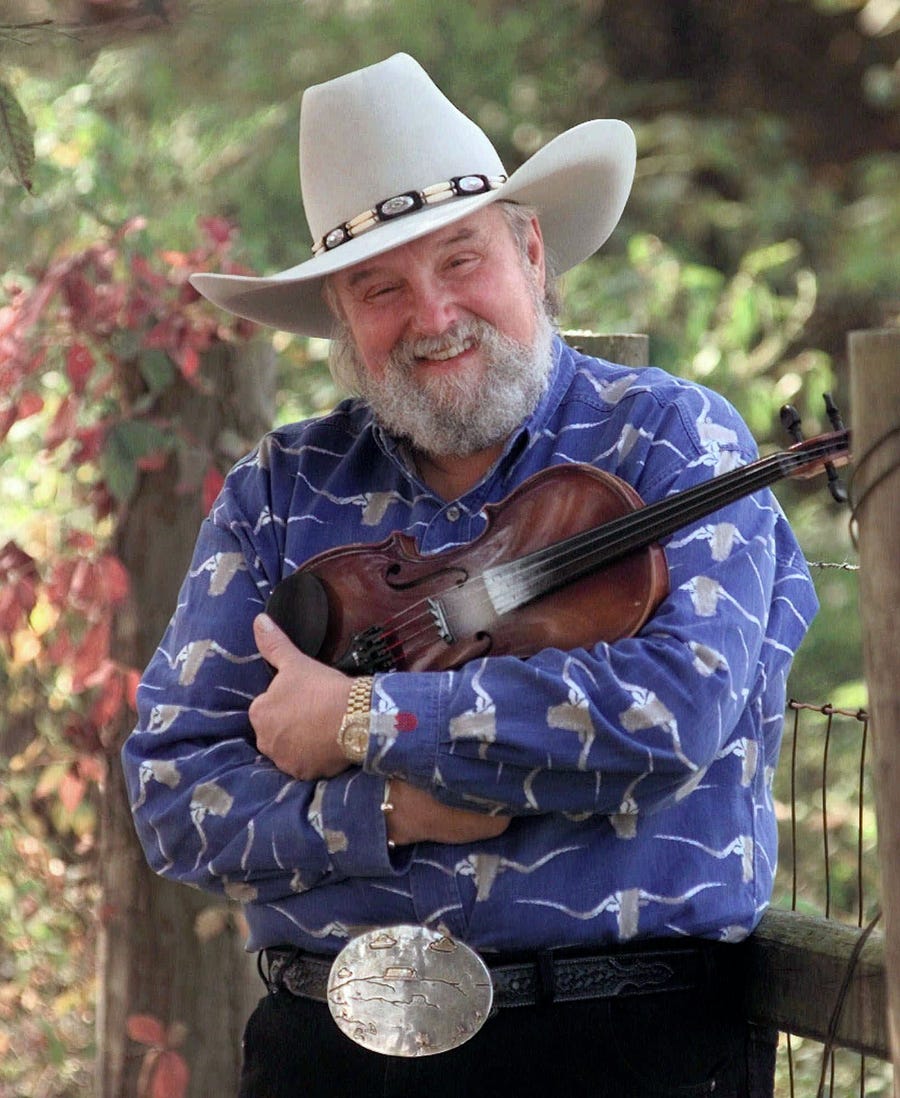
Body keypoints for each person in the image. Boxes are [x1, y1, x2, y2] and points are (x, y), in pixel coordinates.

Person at [122, 53, 818, 1098]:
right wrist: (387, 816)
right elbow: (174, 796)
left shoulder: (672, 440)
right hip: (334, 1051)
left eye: (461, 261)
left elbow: (676, 714)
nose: (435, 314)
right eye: (381, 287)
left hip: (633, 1045)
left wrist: (366, 720)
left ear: (531, 251)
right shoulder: (279, 489)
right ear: (341, 322)